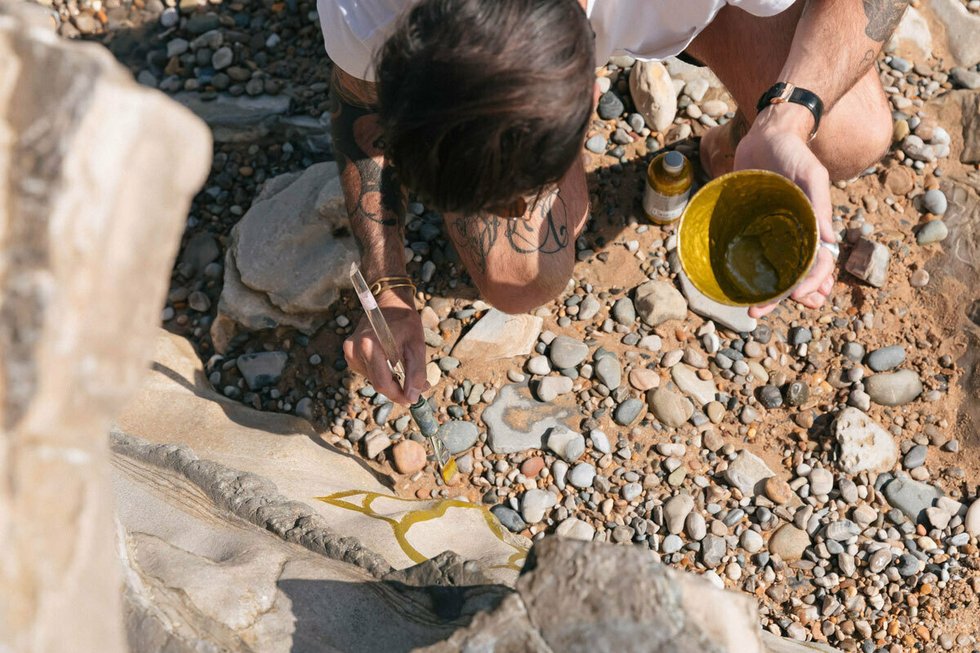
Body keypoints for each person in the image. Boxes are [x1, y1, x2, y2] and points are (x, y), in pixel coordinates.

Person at [319, 0, 899, 405]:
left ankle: (736, 143)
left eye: (523, 196)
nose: (522, 213)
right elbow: (360, 111)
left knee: (850, 135)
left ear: (590, 93)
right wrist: (388, 289)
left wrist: (786, 120)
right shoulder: (370, 9)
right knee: (518, 276)